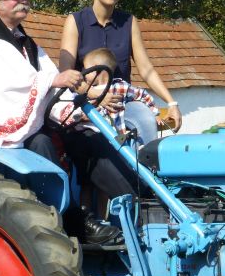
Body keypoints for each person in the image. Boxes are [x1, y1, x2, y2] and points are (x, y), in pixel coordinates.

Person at [0, 0, 118, 244]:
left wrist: (79, 106)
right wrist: (53, 82)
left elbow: (50, 78)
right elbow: (10, 80)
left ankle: (118, 205)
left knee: (88, 139)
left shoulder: (28, 43)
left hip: (32, 122)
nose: (23, 1)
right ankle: (63, 220)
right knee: (43, 144)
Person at [58, 0, 183, 132]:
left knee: (145, 120)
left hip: (122, 102)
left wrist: (172, 103)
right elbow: (66, 73)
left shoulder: (129, 22)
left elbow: (146, 69)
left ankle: (139, 159)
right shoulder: (75, 21)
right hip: (87, 103)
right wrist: (94, 94)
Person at [52, 48, 153, 204]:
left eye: (87, 69)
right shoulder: (82, 93)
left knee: (104, 188)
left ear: (100, 71)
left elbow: (142, 95)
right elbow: (72, 111)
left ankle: (105, 219)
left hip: (114, 142)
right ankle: (87, 218)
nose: (83, 72)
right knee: (86, 183)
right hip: (90, 143)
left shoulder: (120, 87)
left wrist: (155, 113)